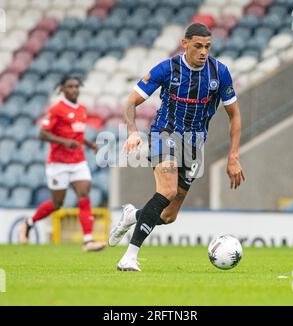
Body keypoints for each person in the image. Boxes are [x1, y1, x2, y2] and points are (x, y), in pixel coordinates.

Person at [109, 23, 245, 271]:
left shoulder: (219, 73)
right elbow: (131, 102)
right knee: (168, 190)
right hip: (165, 134)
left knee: (168, 215)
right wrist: (131, 132)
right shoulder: (167, 69)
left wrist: (233, 156)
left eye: (207, 47)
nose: (203, 52)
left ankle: (133, 216)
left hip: (194, 144)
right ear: (185, 44)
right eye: (198, 46)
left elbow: (234, 115)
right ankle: (129, 257)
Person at [19, 75, 106, 252]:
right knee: (57, 203)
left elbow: (77, 135)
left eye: (76, 86)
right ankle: (28, 223)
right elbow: (42, 134)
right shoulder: (57, 109)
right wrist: (64, 141)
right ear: (62, 90)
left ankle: (88, 241)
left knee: (84, 194)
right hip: (58, 163)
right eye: (70, 87)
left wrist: (90, 145)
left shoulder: (82, 109)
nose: (74, 89)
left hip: (78, 161)